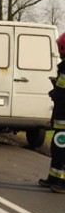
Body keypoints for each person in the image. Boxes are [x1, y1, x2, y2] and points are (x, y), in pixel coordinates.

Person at [40, 33, 65, 193]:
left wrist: (53, 91)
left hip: (64, 116)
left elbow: (62, 92)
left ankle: (62, 183)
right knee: (56, 148)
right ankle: (53, 178)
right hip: (60, 116)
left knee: (62, 149)